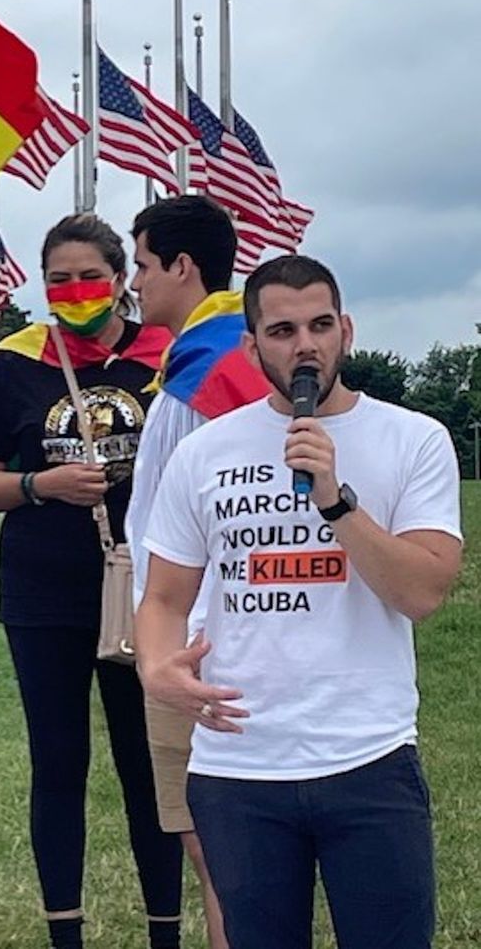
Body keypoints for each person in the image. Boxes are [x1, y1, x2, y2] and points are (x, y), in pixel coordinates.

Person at [136, 254, 463, 949]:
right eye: (282, 331)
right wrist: (157, 667)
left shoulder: (412, 439)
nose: (304, 346)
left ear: (346, 330)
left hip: (368, 755)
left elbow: (422, 591)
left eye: (319, 325)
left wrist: (335, 500)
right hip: (240, 765)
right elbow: (164, 597)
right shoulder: (205, 453)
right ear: (252, 346)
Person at [0, 213, 182, 949]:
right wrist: (39, 484)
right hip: (43, 593)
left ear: (120, 280)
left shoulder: (166, 357)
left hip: (146, 593)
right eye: (59, 280)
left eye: (90, 277)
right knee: (58, 764)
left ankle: (165, 930)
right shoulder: (15, 364)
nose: (75, 291)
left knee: (148, 767)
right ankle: (65, 932)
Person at [126, 196, 270, 949]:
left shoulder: (206, 368)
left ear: (182, 266)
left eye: (142, 266)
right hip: (210, 627)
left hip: (199, 635)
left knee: (218, 850)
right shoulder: (221, 356)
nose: (133, 285)